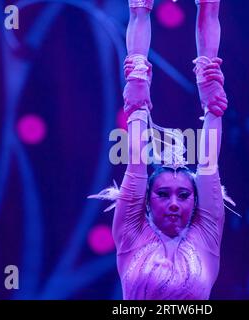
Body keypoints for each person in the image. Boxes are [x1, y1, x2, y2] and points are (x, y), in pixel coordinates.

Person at [91, 0, 232, 299]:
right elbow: (137, 164)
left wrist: (210, 92)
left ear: (196, 203)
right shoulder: (132, 234)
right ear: (145, 201)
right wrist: (136, 85)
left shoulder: (205, 237)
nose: (173, 204)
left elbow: (209, 164)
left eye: (183, 195)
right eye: (163, 194)